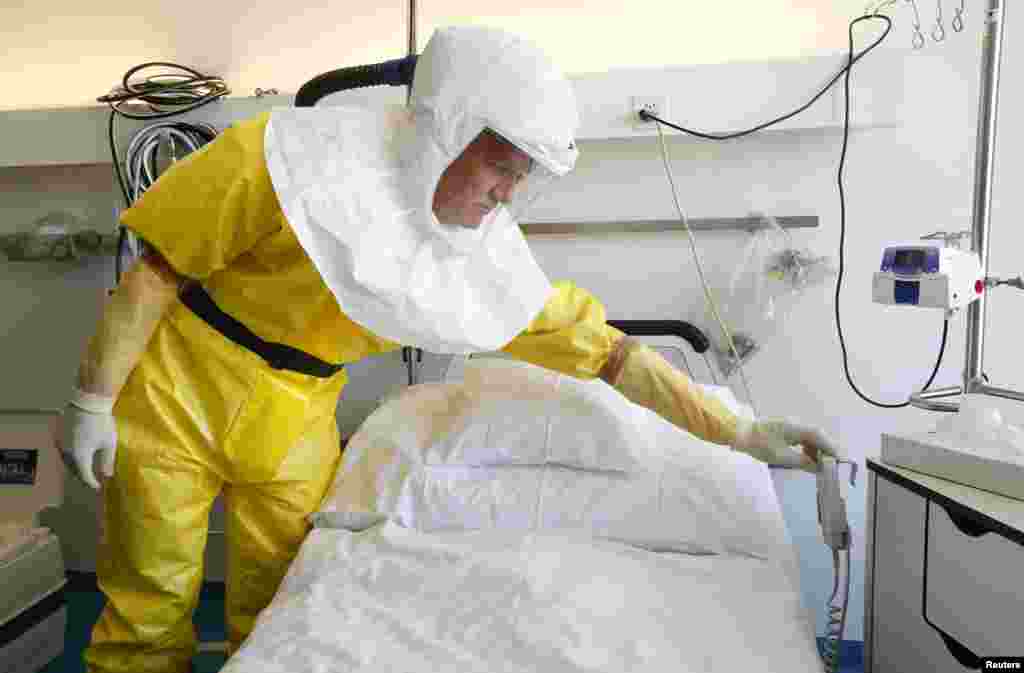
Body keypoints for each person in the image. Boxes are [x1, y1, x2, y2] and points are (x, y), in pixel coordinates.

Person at [56, 25, 842, 673]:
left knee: (275, 612)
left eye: (522, 177)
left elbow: (609, 355)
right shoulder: (281, 158)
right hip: (177, 384)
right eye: (501, 164)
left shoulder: (475, 259)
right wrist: (93, 398)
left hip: (296, 418)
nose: (507, 194)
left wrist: (743, 433)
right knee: (145, 613)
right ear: (449, 129)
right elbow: (156, 272)